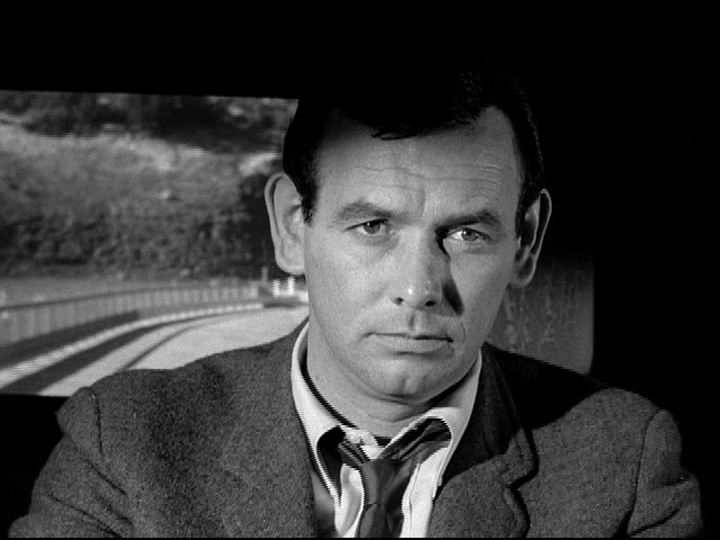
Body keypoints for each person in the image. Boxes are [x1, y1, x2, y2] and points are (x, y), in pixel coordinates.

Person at [10, 57, 704, 537]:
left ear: (525, 242)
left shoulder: (625, 464)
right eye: (373, 227)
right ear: (292, 227)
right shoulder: (124, 442)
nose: (419, 289)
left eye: (466, 234)